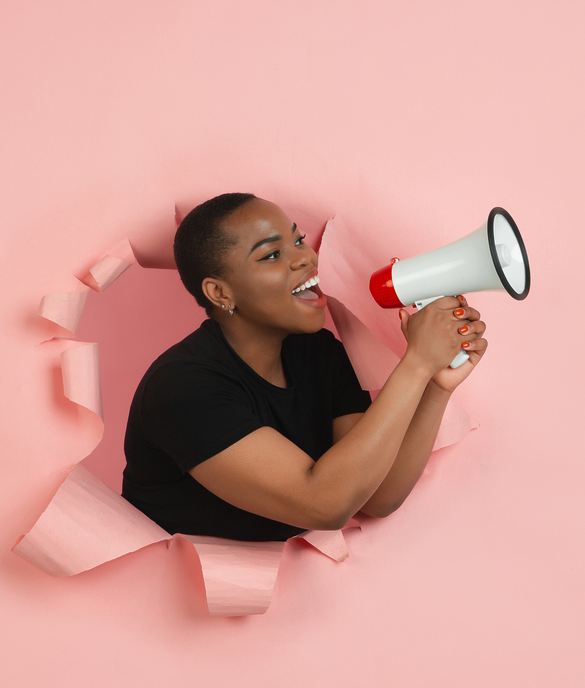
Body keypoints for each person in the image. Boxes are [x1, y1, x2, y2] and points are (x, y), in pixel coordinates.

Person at [122, 193, 488, 541]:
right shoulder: (181, 388)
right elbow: (325, 505)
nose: (305, 259)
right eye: (271, 255)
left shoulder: (316, 352)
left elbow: (376, 496)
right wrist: (417, 362)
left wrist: (436, 385)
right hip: (170, 591)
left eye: (298, 241)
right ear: (220, 293)